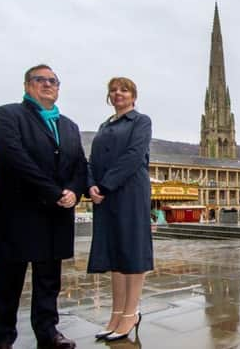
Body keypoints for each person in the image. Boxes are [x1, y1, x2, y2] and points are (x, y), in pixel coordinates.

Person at [0, 64, 87, 349]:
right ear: (27, 85)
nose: (47, 84)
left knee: (48, 280)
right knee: (9, 281)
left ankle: (48, 332)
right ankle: (4, 339)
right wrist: (54, 191)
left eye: (53, 81)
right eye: (40, 80)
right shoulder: (7, 115)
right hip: (18, 211)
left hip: (55, 215)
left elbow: (79, 164)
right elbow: (14, 157)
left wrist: (74, 191)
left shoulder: (68, 125)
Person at [87, 77, 153, 341]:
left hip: (129, 192)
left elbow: (134, 156)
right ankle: (116, 313)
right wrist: (90, 185)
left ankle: (131, 313)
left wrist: (103, 186)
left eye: (124, 90)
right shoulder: (104, 126)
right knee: (114, 252)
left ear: (133, 96)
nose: (118, 94)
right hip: (105, 194)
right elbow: (92, 160)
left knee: (132, 251)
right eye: (113, 90)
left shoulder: (140, 121)